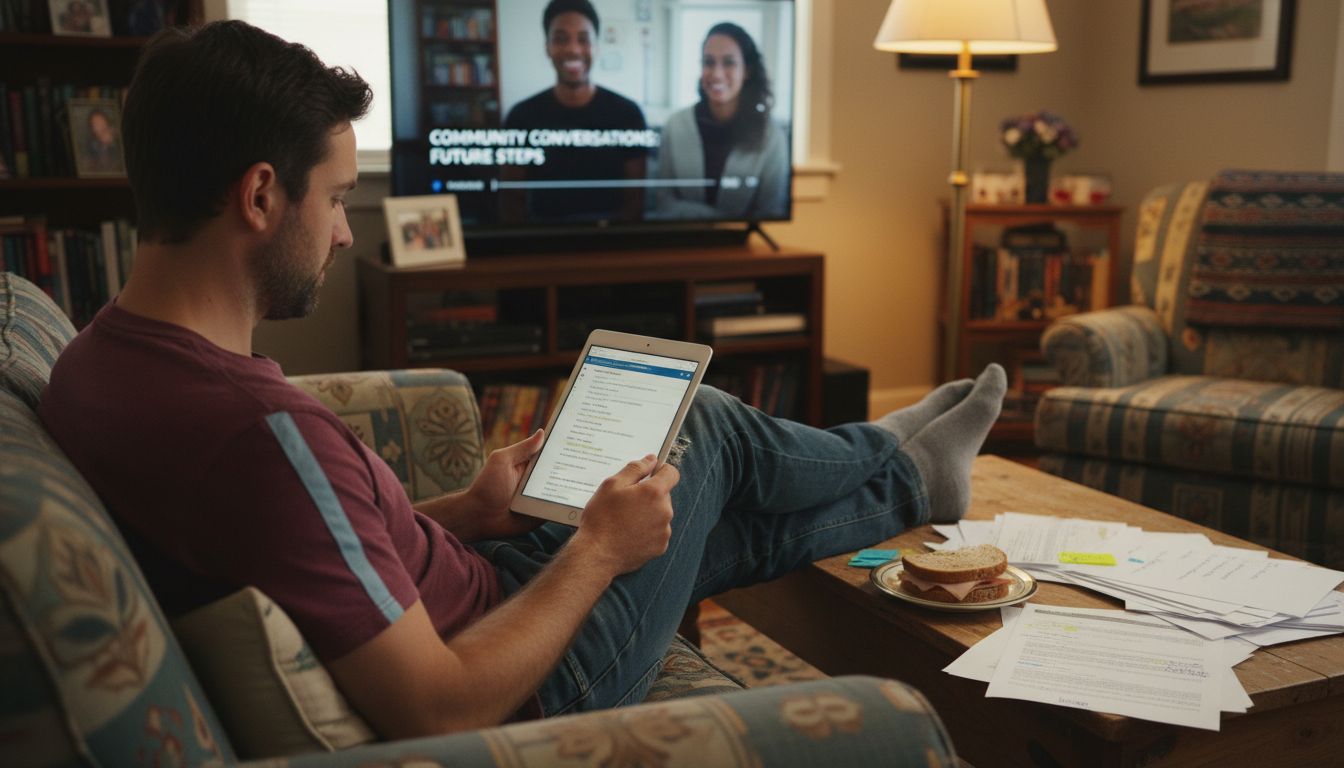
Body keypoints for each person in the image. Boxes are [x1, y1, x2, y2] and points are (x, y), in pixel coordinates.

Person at [39, 20, 1006, 737]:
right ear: (259, 195)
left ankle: (908, 477)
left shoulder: (95, 364)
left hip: (486, 591)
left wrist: (467, 511)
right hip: (533, 682)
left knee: (706, 516)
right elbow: (440, 708)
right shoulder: (260, 434)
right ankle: (892, 456)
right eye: (335, 198)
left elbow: (316, 548)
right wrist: (597, 549)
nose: (341, 232)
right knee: (701, 425)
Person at [501, 0, 648, 223]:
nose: (573, 49)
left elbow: (635, 203)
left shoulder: (628, 114)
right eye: (561, 39)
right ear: (547, 47)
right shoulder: (521, 117)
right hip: (542, 238)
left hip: (611, 238)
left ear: (596, 47)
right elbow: (511, 202)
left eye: (583, 39)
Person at [655, 23, 790, 221]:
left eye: (729, 63)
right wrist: (717, 220)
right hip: (681, 237)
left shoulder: (772, 136)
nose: (716, 74)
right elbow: (662, 201)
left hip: (745, 240)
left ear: (747, 70)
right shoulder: (675, 125)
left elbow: (772, 210)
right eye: (708, 62)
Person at [82, 107, 123, 175]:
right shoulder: (91, 145)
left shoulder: (116, 140)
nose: (101, 126)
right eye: (96, 124)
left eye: (102, 121)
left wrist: (111, 143)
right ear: (92, 129)